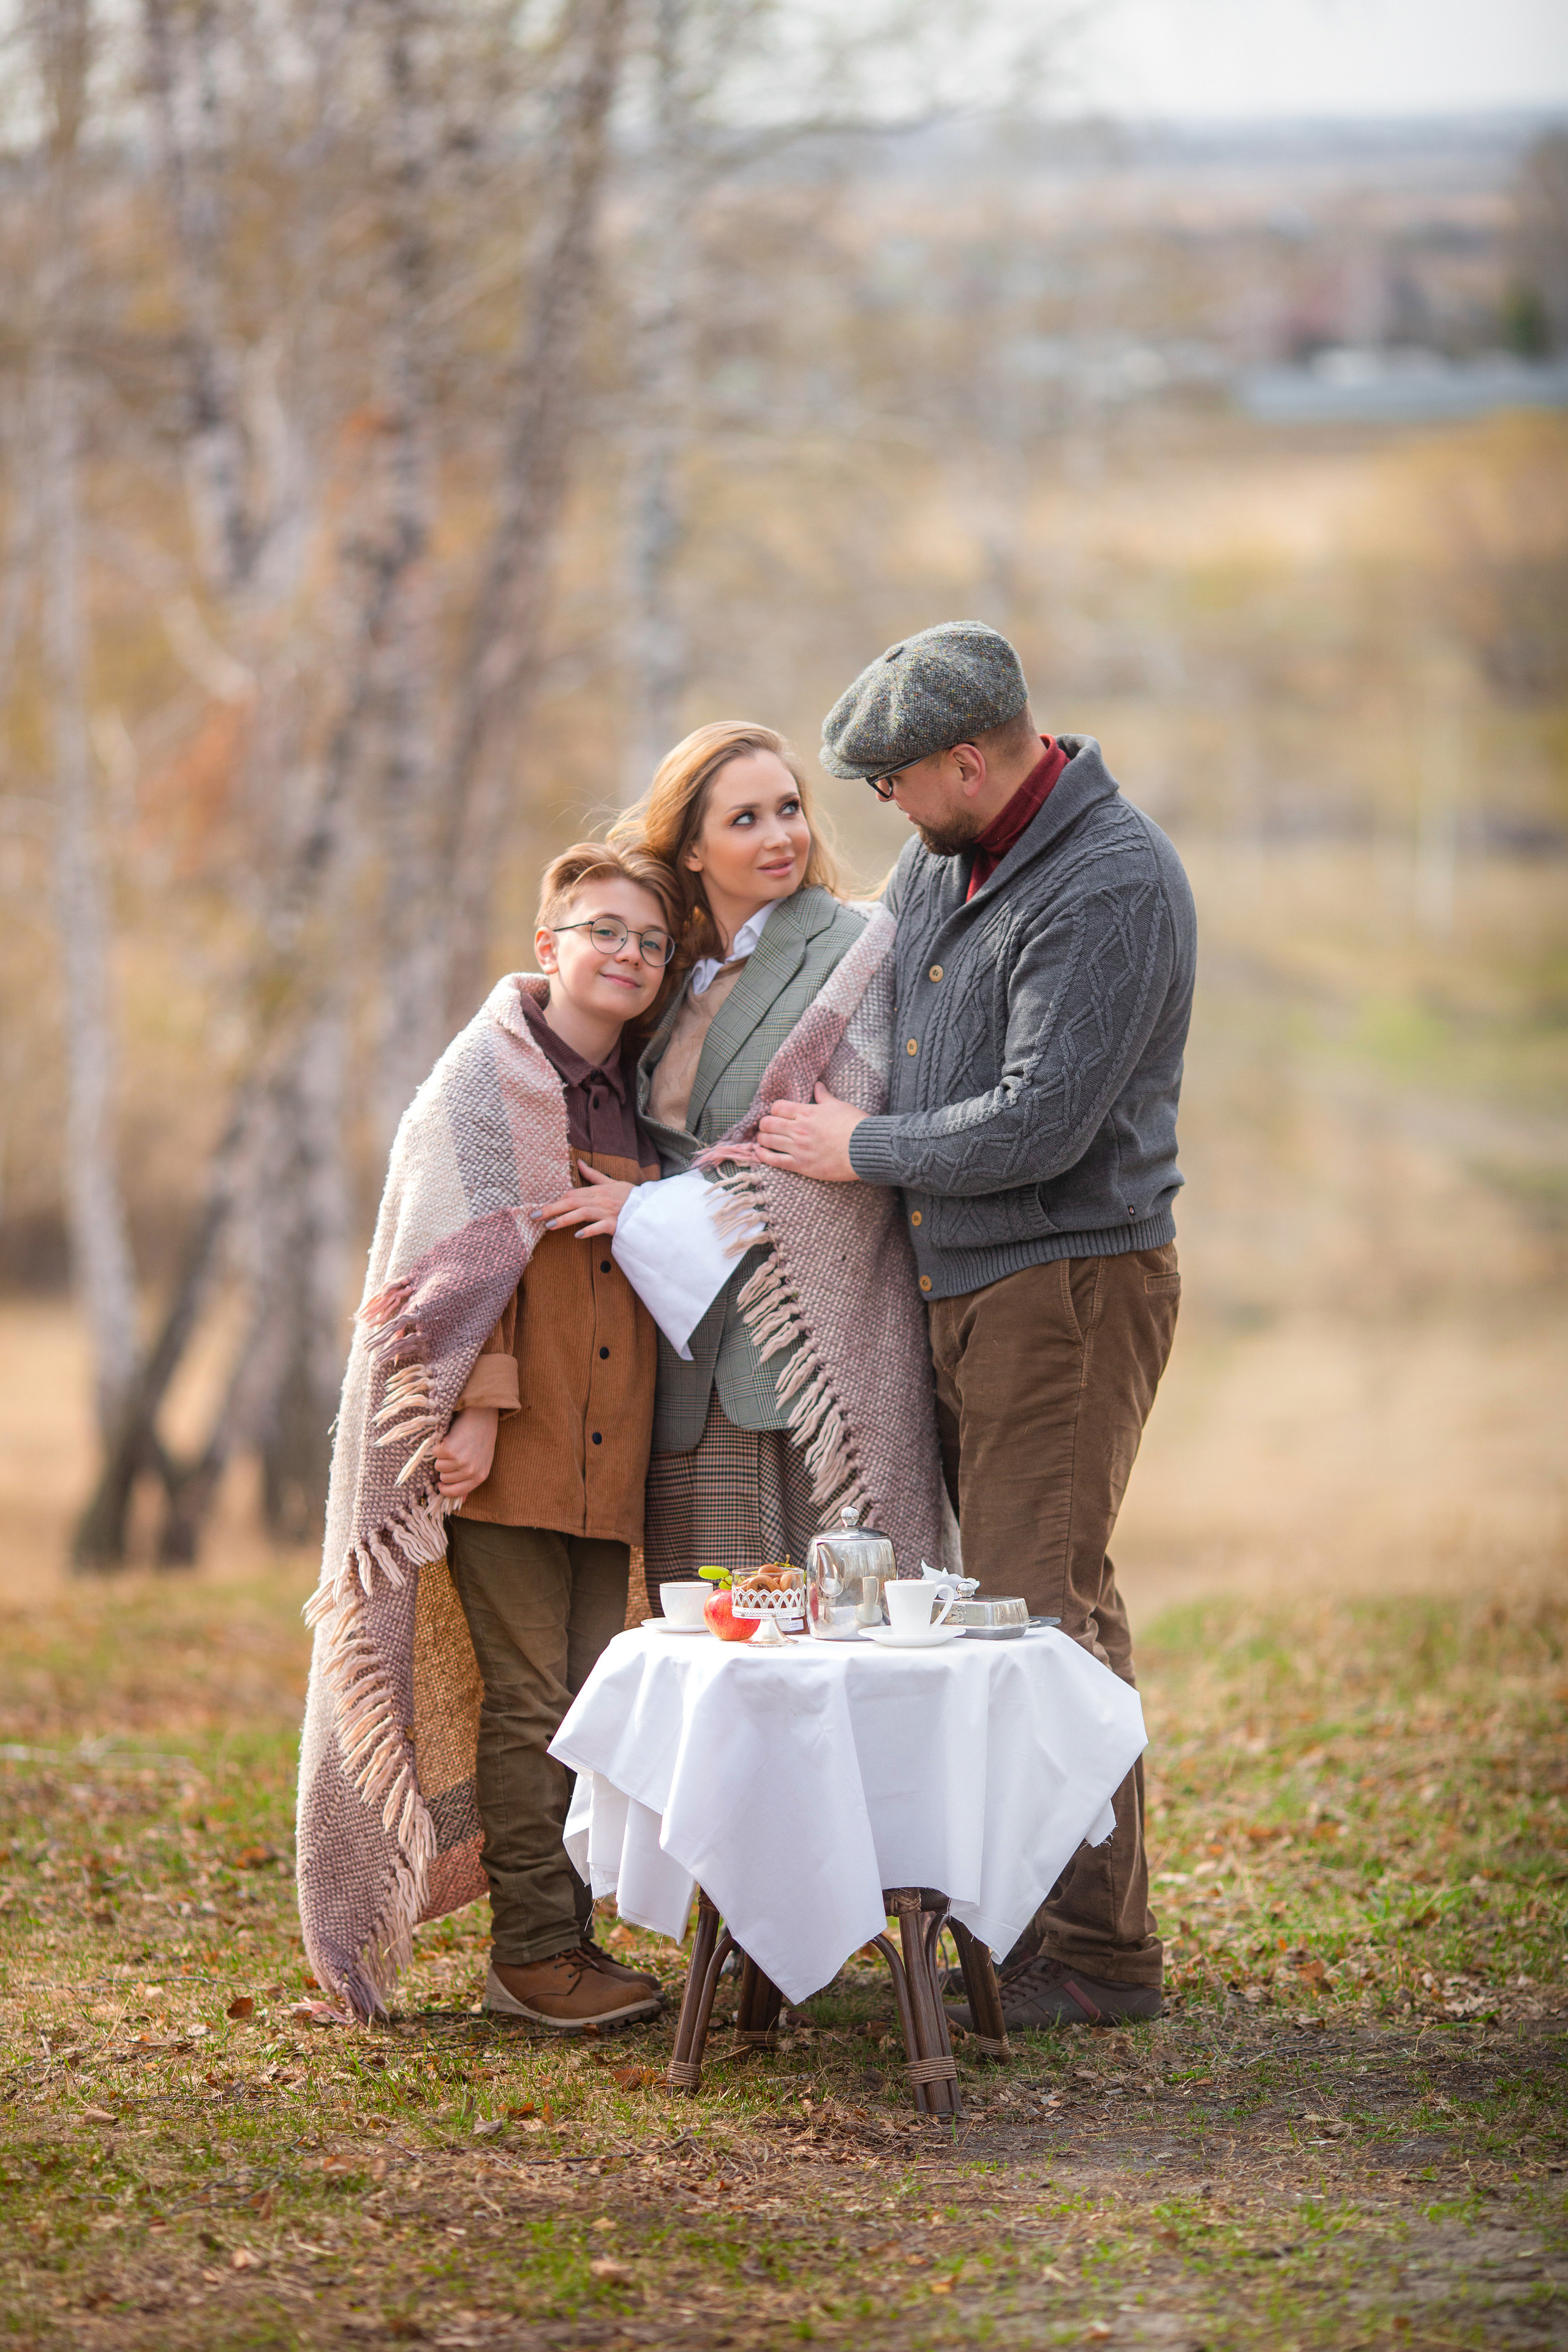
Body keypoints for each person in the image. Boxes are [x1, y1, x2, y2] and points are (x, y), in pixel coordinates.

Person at [756, 621, 1197, 2029]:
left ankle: (1093, 1958)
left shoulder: (1109, 884)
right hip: (971, 1283)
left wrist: (859, 1148)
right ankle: (1059, 1924)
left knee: (1036, 1622)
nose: (878, 805)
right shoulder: (945, 856)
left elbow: (1039, 1122)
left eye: (892, 779)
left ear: (966, 757)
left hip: (1063, 1287)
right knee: (1042, 1594)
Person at [530, 720, 950, 1600]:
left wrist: (646, 1211)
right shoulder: (662, 974)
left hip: (809, 1355)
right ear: (689, 848)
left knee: (842, 1640)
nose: (781, 836)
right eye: (745, 819)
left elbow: (830, 1136)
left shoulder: (854, 949)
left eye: (789, 809)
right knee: (719, 1648)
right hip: (682, 1367)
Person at [393, 843, 681, 2031]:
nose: (628, 954)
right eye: (603, 930)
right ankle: (531, 1956)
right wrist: (473, 1403)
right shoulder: (488, 1078)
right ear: (546, 944)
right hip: (509, 1445)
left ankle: (568, 1936)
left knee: (583, 1704)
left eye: (651, 941)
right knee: (526, 1702)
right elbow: (448, 1265)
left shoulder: (647, 1098)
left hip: (610, 1446)